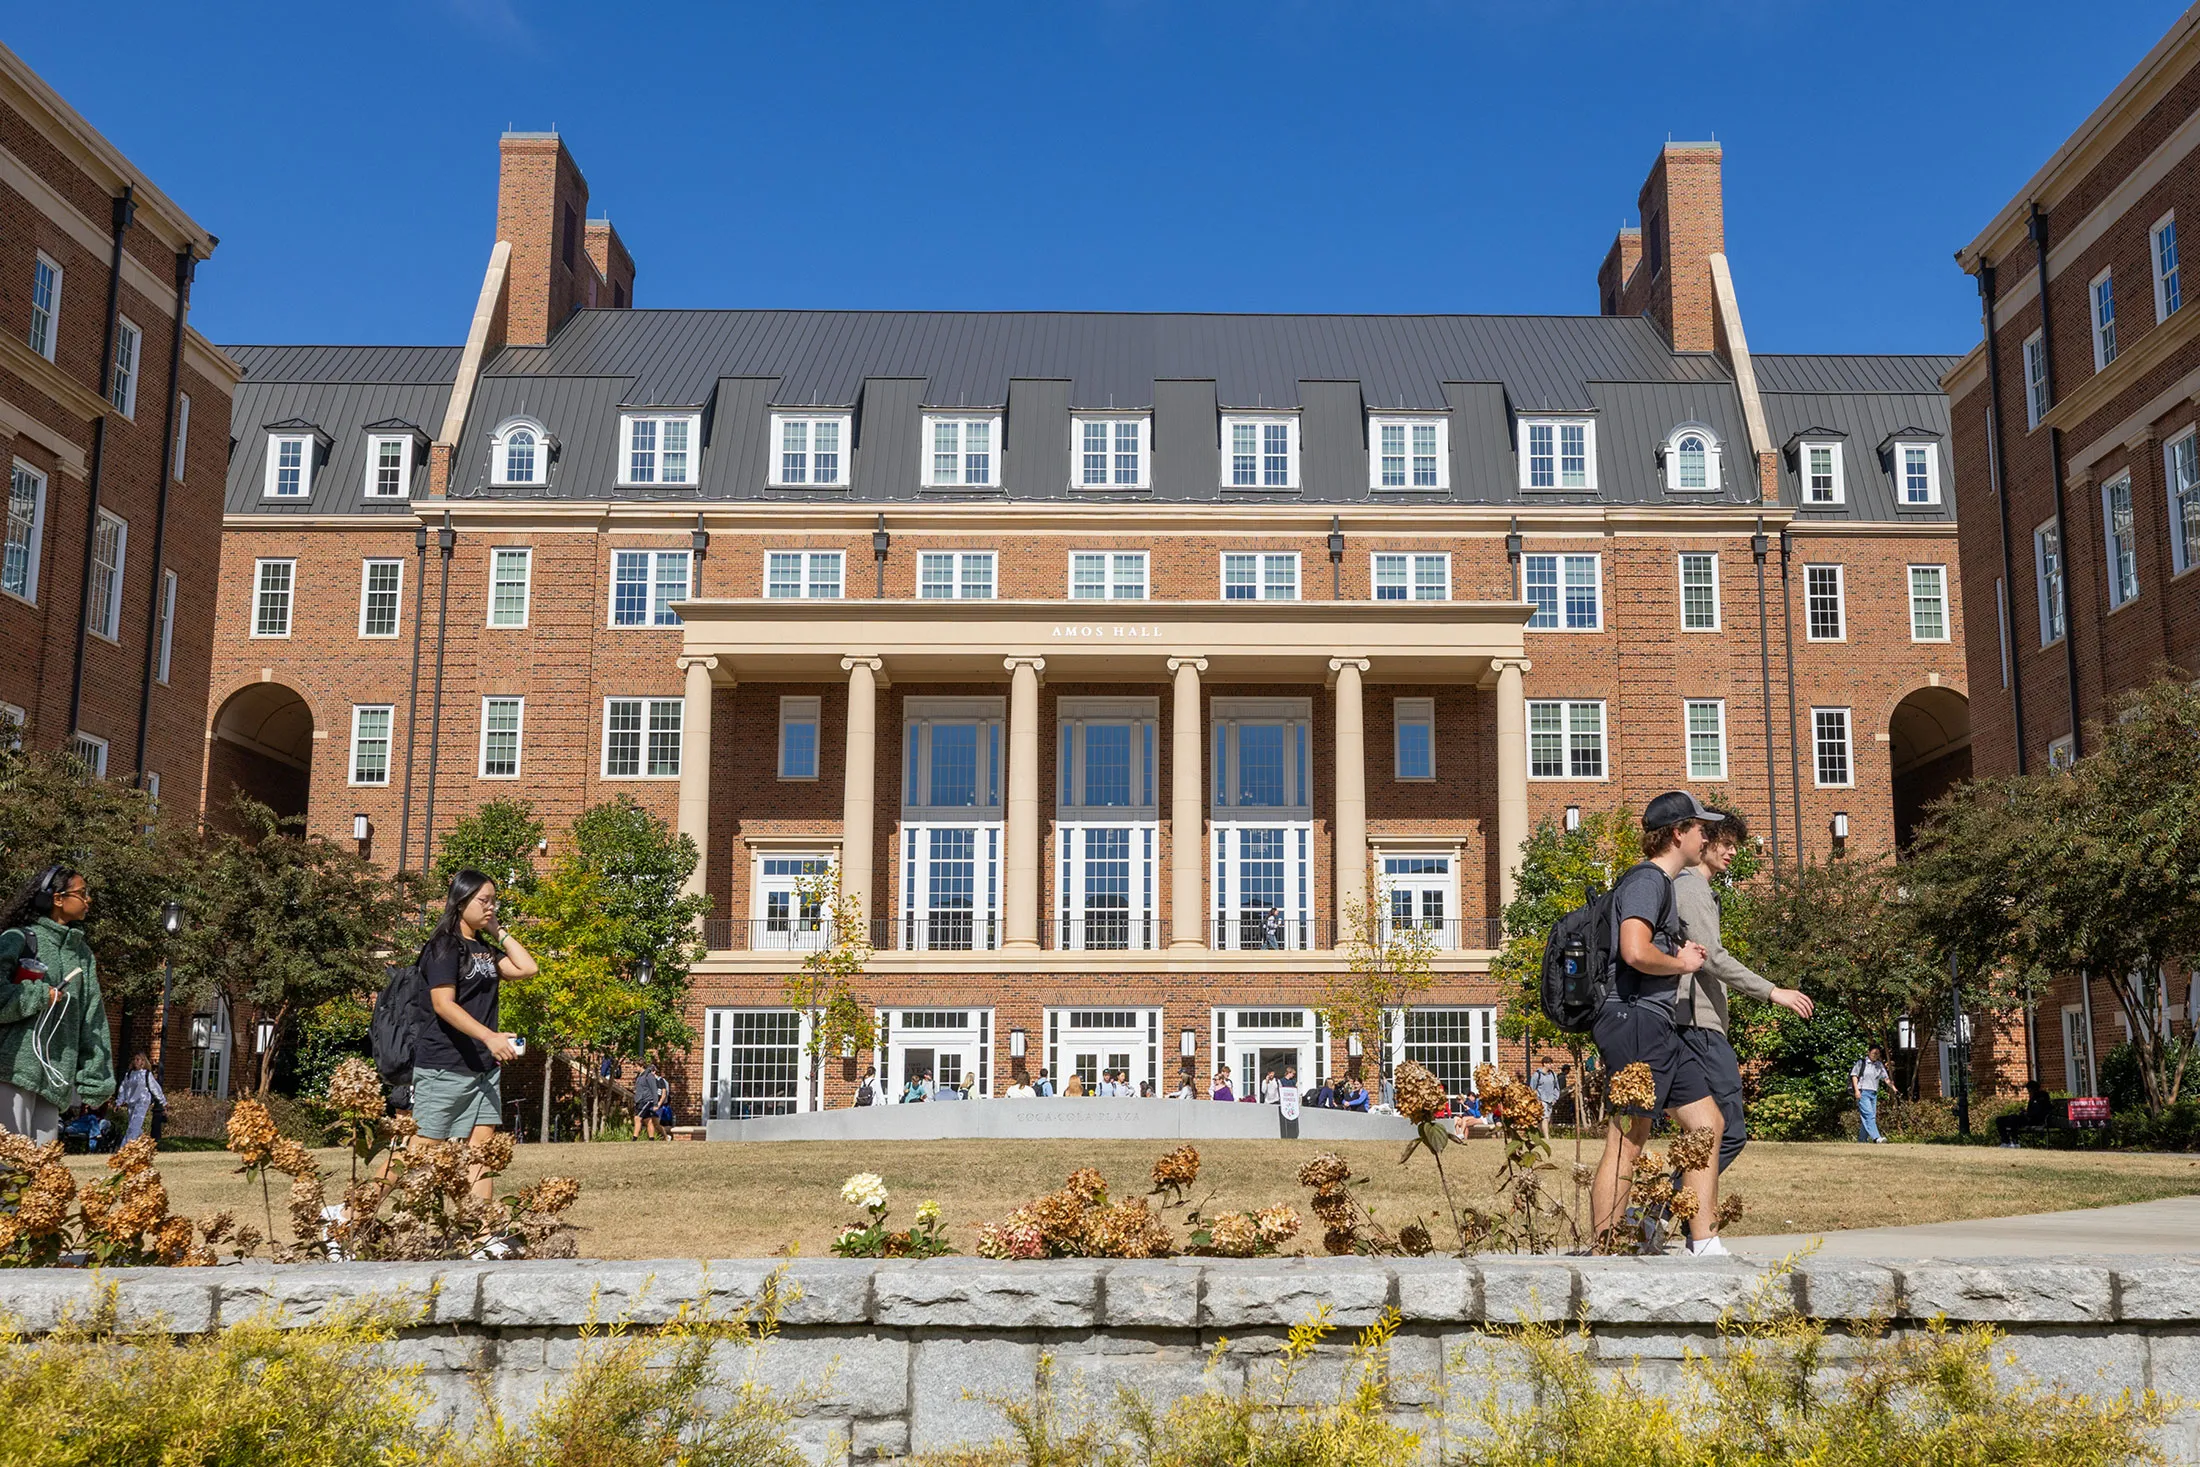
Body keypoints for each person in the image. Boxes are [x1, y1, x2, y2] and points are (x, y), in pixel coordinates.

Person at [1587, 793, 1725, 1255]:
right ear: (1676, 834)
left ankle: (1703, 1244)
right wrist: (1682, 963)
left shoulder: (1662, 884)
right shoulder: (1647, 881)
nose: (1708, 836)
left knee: (1707, 1123)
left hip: (1658, 1022)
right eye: (1701, 828)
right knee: (1628, 1140)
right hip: (1635, 1019)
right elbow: (1634, 951)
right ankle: (1606, 1249)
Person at [1672, 812, 1816, 1174]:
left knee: (1707, 1133)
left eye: (1735, 846)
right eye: (1726, 844)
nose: (1732, 853)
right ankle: (1657, 1214)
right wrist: (1773, 992)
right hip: (1696, 1025)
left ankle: (1669, 1218)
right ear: (1704, 842)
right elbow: (1711, 957)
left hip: (1700, 1024)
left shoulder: (1698, 888)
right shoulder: (1689, 887)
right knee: (1729, 1131)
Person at [411, 868, 538, 1203]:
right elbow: (443, 1005)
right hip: (444, 1065)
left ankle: (480, 1232)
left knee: (480, 1149)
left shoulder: (482, 948)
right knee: (420, 1151)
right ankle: (349, 1218)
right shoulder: (444, 946)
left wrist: (497, 930)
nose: (490, 907)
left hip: (481, 1068)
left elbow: (528, 968)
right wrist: (489, 1037)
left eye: (494, 901)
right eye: (484, 900)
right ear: (461, 900)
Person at [0, 865, 116, 1145]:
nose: (89, 900)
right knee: (9, 1168)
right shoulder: (18, 939)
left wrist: (96, 1076)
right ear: (57, 898)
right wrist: (39, 996)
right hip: (11, 1072)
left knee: (44, 1170)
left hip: (55, 1079)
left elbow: (92, 1018)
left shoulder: (83, 955)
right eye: (82, 893)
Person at [117, 1052, 165, 1145]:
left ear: (143, 1061)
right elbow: (123, 1088)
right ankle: (145, 1144)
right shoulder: (129, 1074)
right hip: (131, 1103)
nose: (136, 1061)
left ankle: (124, 1148)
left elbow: (155, 1088)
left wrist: (163, 1102)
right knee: (135, 1127)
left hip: (142, 1102)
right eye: (135, 1059)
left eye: (138, 1059)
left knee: (134, 1126)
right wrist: (119, 1101)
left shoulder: (146, 1074)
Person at [1851, 1046, 1894, 1144]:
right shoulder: (1861, 1063)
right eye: (1874, 1053)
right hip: (1863, 1091)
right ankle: (1877, 1138)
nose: (1876, 1055)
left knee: (1869, 1117)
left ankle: (1861, 1140)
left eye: (1878, 1054)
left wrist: (1893, 1088)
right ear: (1868, 1052)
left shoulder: (1879, 1065)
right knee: (1869, 1115)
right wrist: (1856, 1091)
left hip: (1873, 1092)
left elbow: (1885, 1078)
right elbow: (1854, 1075)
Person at [1998, 1079, 2051, 1146]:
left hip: (2033, 1120)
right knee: (1999, 1120)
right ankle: (2005, 1141)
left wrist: (2027, 1114)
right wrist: (2024, 1112)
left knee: (2013, 1120)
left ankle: (2015, 1142)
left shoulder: (2041, 1097)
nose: (2029, 1092)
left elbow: (2038, 1111)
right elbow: (2031, 1110)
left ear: (2034, 1089)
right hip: (2027, 1118)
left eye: (2030, 1090)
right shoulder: (2033, 1098)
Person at [632, 1063, 666, 1139]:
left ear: (641, 1066)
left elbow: (654, 1090)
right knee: (648, 1120)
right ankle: (651, 1139)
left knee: (637, 1118)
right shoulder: (640, 1076)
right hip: (640, 1100)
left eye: (636, 1066)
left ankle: (634, 1139)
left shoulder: (649, 1076)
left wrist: (656, 1104)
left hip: (647, 1100)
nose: (635, 1068)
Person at [1531, 1065, 1561, 1139]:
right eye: (1549, 1063)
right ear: (1545, 1064)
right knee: (1545, 1117)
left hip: (1550, 1100)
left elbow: (1556, 1088)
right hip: (1541, 1100)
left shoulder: (1553, 1075)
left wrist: (1555, 1098)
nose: (1551, 1065)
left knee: (1546, 1119)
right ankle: (1547, 1137)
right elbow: (1532, 1088)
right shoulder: (1537, 1075)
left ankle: (1538, 1135)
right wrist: (1536, 1099)